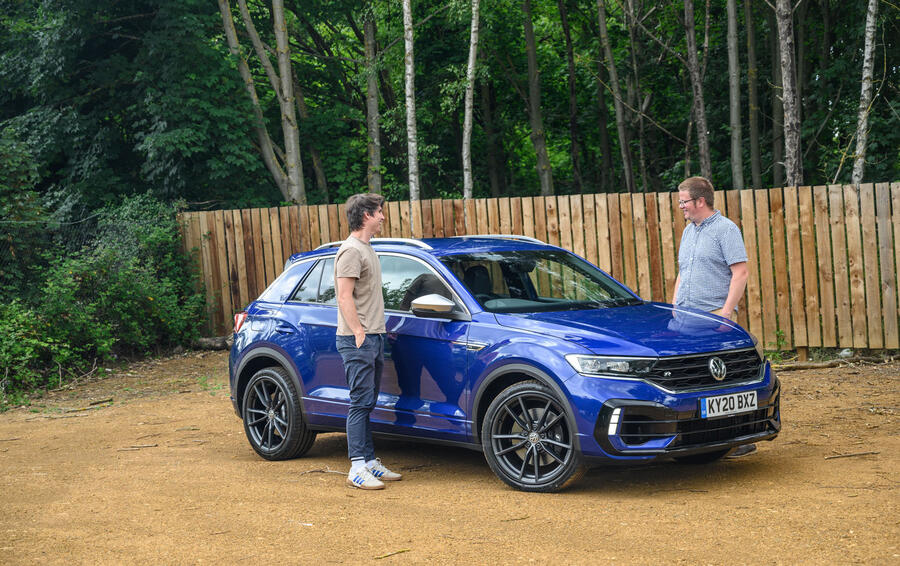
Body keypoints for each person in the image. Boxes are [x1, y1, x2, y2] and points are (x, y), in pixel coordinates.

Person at [671, 176, 755, 458]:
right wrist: (674, 309)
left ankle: (741, 438)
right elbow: (683, 272)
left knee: (722, 382)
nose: (681, 207)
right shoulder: (688, 231)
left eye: (683, 202)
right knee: (691, 381)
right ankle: (698, 439)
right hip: (685, 317)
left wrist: (726, 314)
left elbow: (740, 272)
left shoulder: (725, 230)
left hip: (713, 318)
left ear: (700, 201)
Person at [334, 193, 402, 489]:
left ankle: (370, 461)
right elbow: (343, 295)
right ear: (365, 216)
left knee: (368, 401)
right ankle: (357, 467)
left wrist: (375, 331)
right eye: (379, 212)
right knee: (360, 402)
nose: (383, 217)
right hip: (356, 339)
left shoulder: (367, 248)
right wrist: (360, 332)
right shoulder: (351, 251)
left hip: (373, 336)